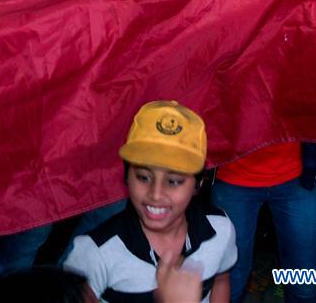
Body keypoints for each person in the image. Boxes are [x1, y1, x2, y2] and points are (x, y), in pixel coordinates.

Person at [63, 101, 235, 302]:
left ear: (199, 183)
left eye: (173, 181)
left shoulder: (220, 229)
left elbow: (221, 280)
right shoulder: (92, 255)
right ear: (126, 176)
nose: (156, 193)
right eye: (144, 177)